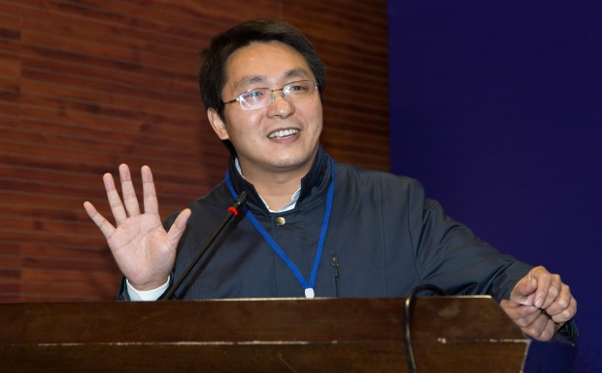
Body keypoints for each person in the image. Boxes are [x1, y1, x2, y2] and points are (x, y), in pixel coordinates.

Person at [83, 19, 576, 342]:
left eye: (297, 86)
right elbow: (139, 358)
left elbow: (498, 277)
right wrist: (147, 289)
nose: (282, 107)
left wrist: (531, 293)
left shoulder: (396, 205)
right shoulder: (184, 239)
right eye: (254, 94)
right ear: (218, 122)